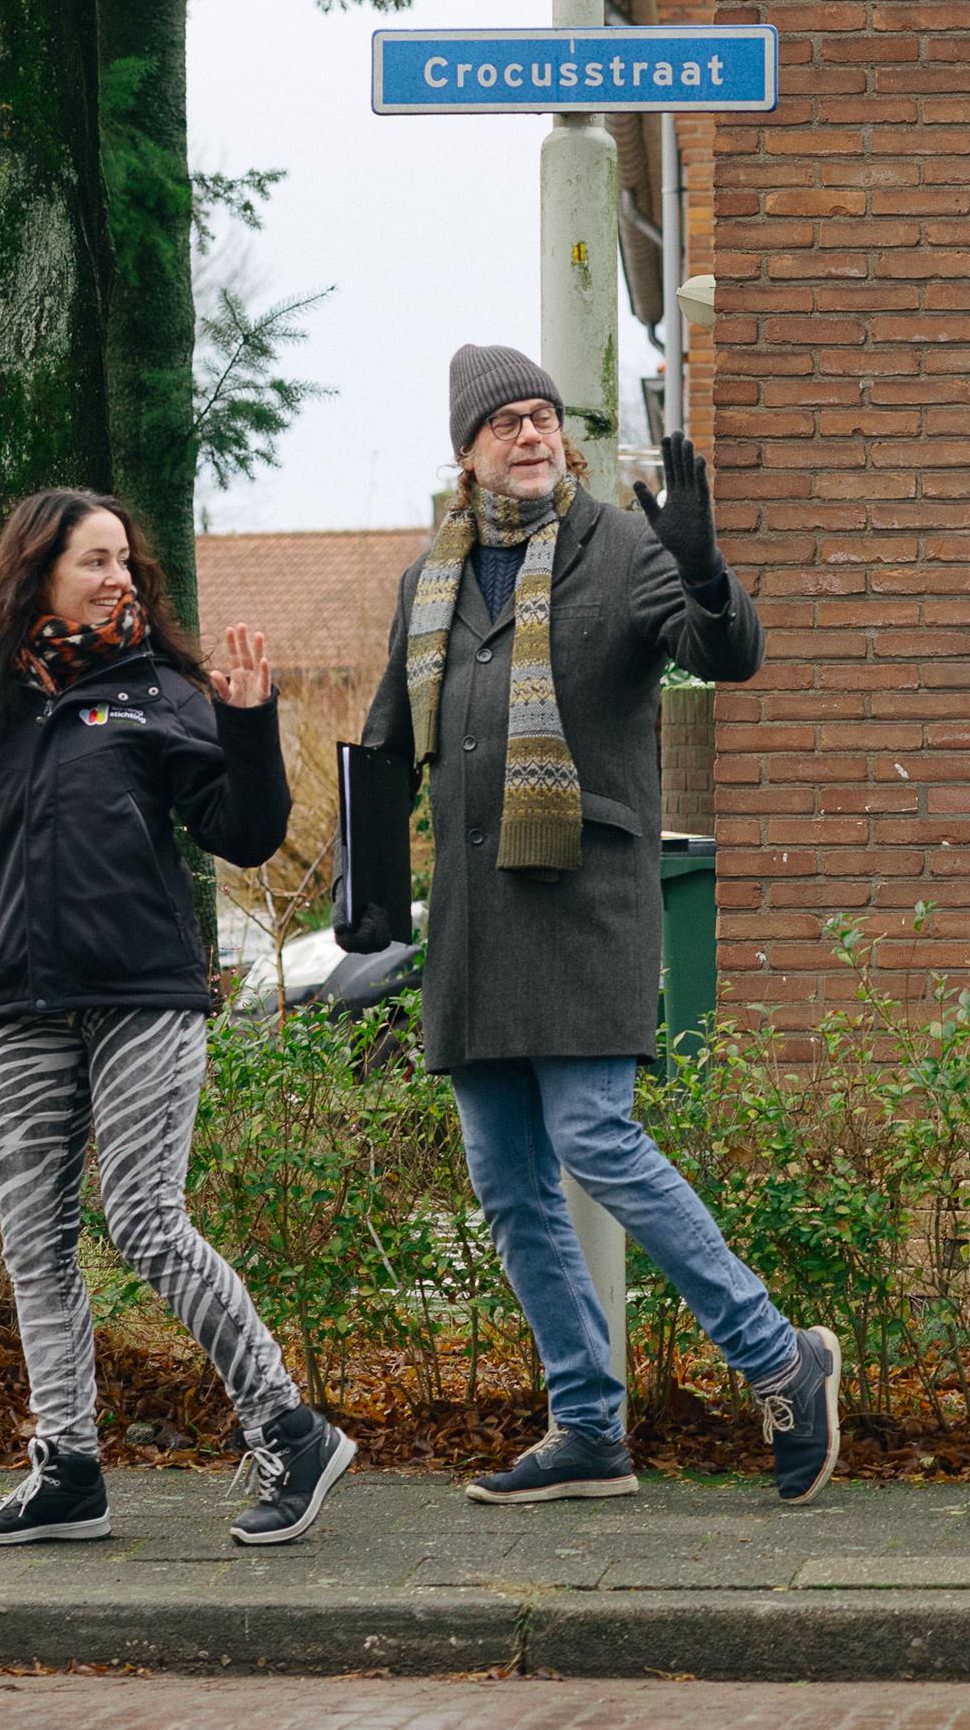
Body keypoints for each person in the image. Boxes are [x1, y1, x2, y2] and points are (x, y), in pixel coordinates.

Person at [346, 345, 841, 1507]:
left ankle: (779, 1357)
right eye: (504, 422)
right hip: (475, 922)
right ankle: (586, 1428)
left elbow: (727, 656)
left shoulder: (621, 550)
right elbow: (382, 746)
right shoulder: (431, 581)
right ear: (465, 452)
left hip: (581, 901)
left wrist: (706, 568)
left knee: (596, 1139)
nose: (530, 435)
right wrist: (362, 891)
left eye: (544, 418)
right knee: (507, 1181)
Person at [0, 488, 356, 1549]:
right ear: (35, 574)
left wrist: (247, 722)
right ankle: (67, 1472)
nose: (118, 579)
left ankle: (290, 1431)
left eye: (124, 563)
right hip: (22, 1012)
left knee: (145, 1218)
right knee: (36, 1242)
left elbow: (243, 836)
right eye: (92, 562)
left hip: (146, 998)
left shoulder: (159, 691)